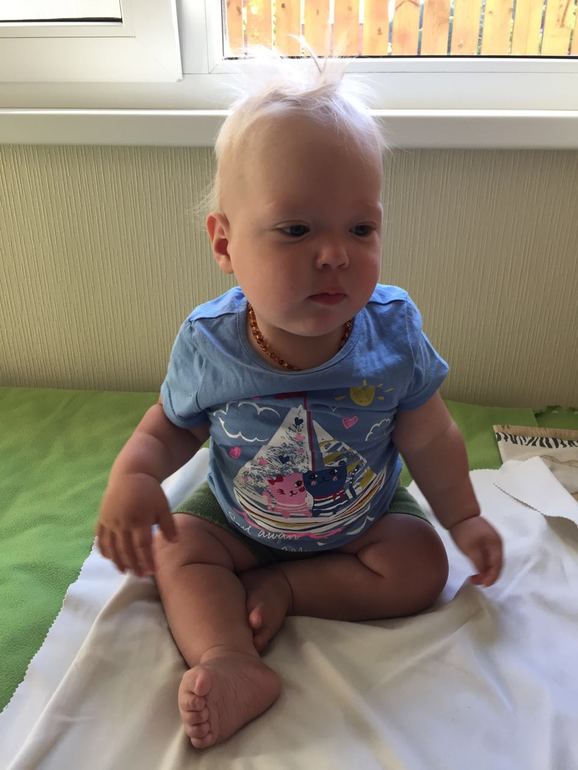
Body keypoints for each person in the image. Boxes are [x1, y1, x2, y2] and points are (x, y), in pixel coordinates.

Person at [96, 55, 503, 750]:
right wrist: (132, 476)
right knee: (178, 553)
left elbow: (430, 435)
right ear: (224, 243)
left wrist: (463, 516)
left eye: (360, 229)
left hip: (362, 516)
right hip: (238, 516)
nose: (335, 254)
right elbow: (170, 427)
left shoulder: (392, 332)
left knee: (422, 566)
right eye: (296, 230)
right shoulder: (211, 341)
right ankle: (230, 659)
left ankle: (291, 589)